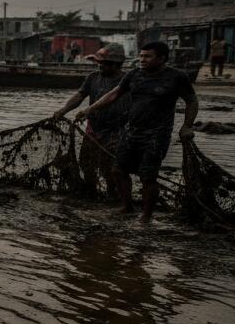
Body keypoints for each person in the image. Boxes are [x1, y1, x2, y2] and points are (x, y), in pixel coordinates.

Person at [77, 41, 198, 221]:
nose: (142, 59)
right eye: (141, 56)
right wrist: (90, 109)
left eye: (147, 56)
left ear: (162, 58)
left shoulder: (176, 77)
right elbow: (114, 93)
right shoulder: (134, 75)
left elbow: (192, 101)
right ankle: (127, 207)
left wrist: (187, 125)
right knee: (118, 170)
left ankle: (146, 216)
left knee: (148, 176)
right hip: (131, 131)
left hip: (157, 134)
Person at [52, 44, 129, 193]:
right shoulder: (93, 77)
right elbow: (80, 95)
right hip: (93, 128)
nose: (99, 67)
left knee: (111, 166)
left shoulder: (127, 81)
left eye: (103, 64)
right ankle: (91, 191)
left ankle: (112, 194)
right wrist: (64, 109)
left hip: (117, 130)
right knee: (86, 162)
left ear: (115, 64)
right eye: (98, 63)